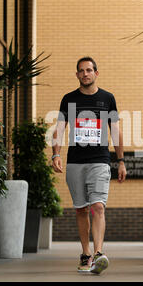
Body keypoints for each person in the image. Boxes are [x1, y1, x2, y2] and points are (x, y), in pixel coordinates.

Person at [52, 56, 126, 274]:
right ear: (77, 75)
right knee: (81, 209)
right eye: (81, 71)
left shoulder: (107, 98)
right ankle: (86, 254)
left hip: (100, 160)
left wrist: (120, 161)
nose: (85, 74)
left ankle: (99, 253)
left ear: (96, 73)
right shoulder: (68, 99)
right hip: (75, 162)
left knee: (98, 206)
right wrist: (55, 153)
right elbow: (59, 128)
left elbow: (115, 131)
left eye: (89, 70)